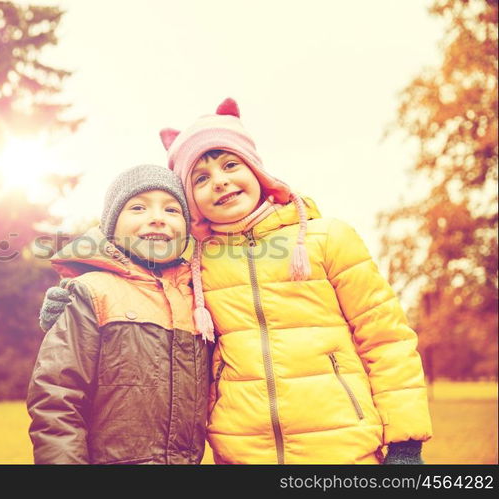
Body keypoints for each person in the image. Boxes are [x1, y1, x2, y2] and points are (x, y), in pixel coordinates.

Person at [153, 97, 433, 464]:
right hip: (243, 455)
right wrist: (78, 295)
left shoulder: (327, 238)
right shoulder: (195, 263)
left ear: (256, 171)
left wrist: (405, 443)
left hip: (343, 451)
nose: (219, 181)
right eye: (201, 178)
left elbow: (386, 339)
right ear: (190, 199)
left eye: (230, 164)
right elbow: (132, 275)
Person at [26, 165, 210, 464]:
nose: (157, 217)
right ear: (111, 227)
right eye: (138, 207)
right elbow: (57, 399)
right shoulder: (90, 292)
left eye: (172, 209)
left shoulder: (198, 299)